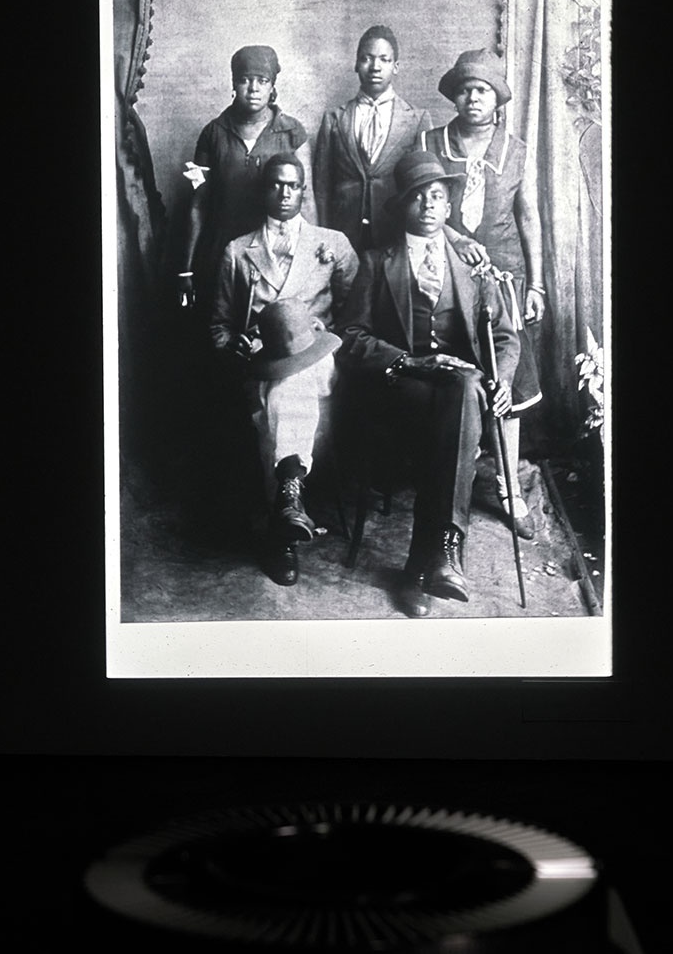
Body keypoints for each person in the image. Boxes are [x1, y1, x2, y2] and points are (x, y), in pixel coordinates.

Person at [335, 149, 521, 618]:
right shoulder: (378, 262)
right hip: (398, 386)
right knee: (459, 400)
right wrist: (406, 363)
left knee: (462, 391)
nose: (431, 206)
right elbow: (349, 336)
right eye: (420, 198)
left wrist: (502, 380)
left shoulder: (472, 269)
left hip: (459, 386)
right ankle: (439, 552)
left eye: (438, 197)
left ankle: (426, 560)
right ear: (404, 208)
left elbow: (503, 336)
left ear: (449, 206)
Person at [206, 157, 360, 585]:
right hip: (260, 359)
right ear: (263, 192)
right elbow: (218, 326)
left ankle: (283, 531)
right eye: (275, 185)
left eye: (293, 186)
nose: (285, 193)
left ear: (304, 191)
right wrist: (232, 346)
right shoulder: (238, 251)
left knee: (288, 383)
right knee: (279, 384)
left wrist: (329, 341)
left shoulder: (333, 244)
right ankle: (288, 506)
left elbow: (355, 317)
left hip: (320, 358)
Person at [418, 50, 545, 539]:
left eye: (483, 90)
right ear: (454, 94)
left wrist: (534, 284)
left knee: (506, 382)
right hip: (445, 274)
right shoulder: (432, 141)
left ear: (497, 100)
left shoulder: (514, 149)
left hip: (503, 280)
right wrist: (455, 238)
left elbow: (527, 216)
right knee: (455, 377)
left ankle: (510, 488)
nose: (473, 97)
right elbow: (418, 205)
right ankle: (451, 481)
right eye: (466, 89)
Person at [175, 46, 316, 310]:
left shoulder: (291, 132)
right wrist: (186, 269)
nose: (253, 88)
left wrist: (314, 257)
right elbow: (198, 204)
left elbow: (306, 199)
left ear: (272, 86)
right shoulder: (213, 133)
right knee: (222, 330)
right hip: (221, 252)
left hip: (275, 253)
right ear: (233, 84)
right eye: (245, 80)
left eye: (262, 81)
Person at [311, 25, 430, 256]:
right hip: (344, 234)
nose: (375, 67)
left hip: (395, 234)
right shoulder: (334, 118)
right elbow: (322, 187)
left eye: (384, 60)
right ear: (356, 64)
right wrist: (323, 235)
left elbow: (422, 185)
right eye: (367, 59)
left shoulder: (417, 119)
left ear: (396, 67)